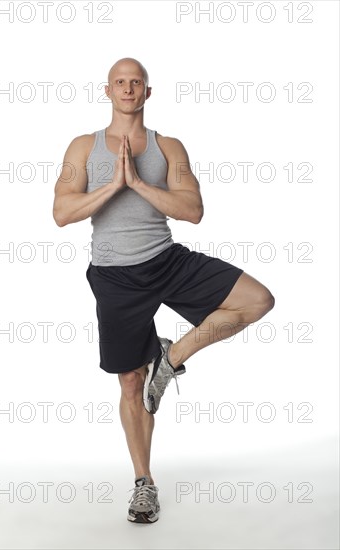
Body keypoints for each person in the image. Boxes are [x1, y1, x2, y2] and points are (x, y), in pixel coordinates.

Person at [52, 57, 275, 524]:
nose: (129, 89)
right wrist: (114, 185)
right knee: (131, 381)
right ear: (108, 91)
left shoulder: (168, 146)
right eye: (120, 82)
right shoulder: (83, 147)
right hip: (114, 273)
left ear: (147, 93)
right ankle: (143, 484)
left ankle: (170, 359)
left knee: (257, 300)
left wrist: (137, 182)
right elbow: (62, 212)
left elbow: (192, 210)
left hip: (167, 260)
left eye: (137, 82)